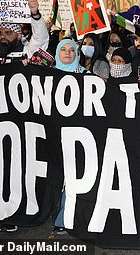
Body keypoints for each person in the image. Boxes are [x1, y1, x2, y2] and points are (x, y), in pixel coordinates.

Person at [52, 38, 86, 235]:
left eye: (71, 50)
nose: (67, 53)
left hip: (76, 134)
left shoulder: (86, 76)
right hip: (50, 134)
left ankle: (63, 218)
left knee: (70, 178)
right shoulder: (45, 75)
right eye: (63, 49)